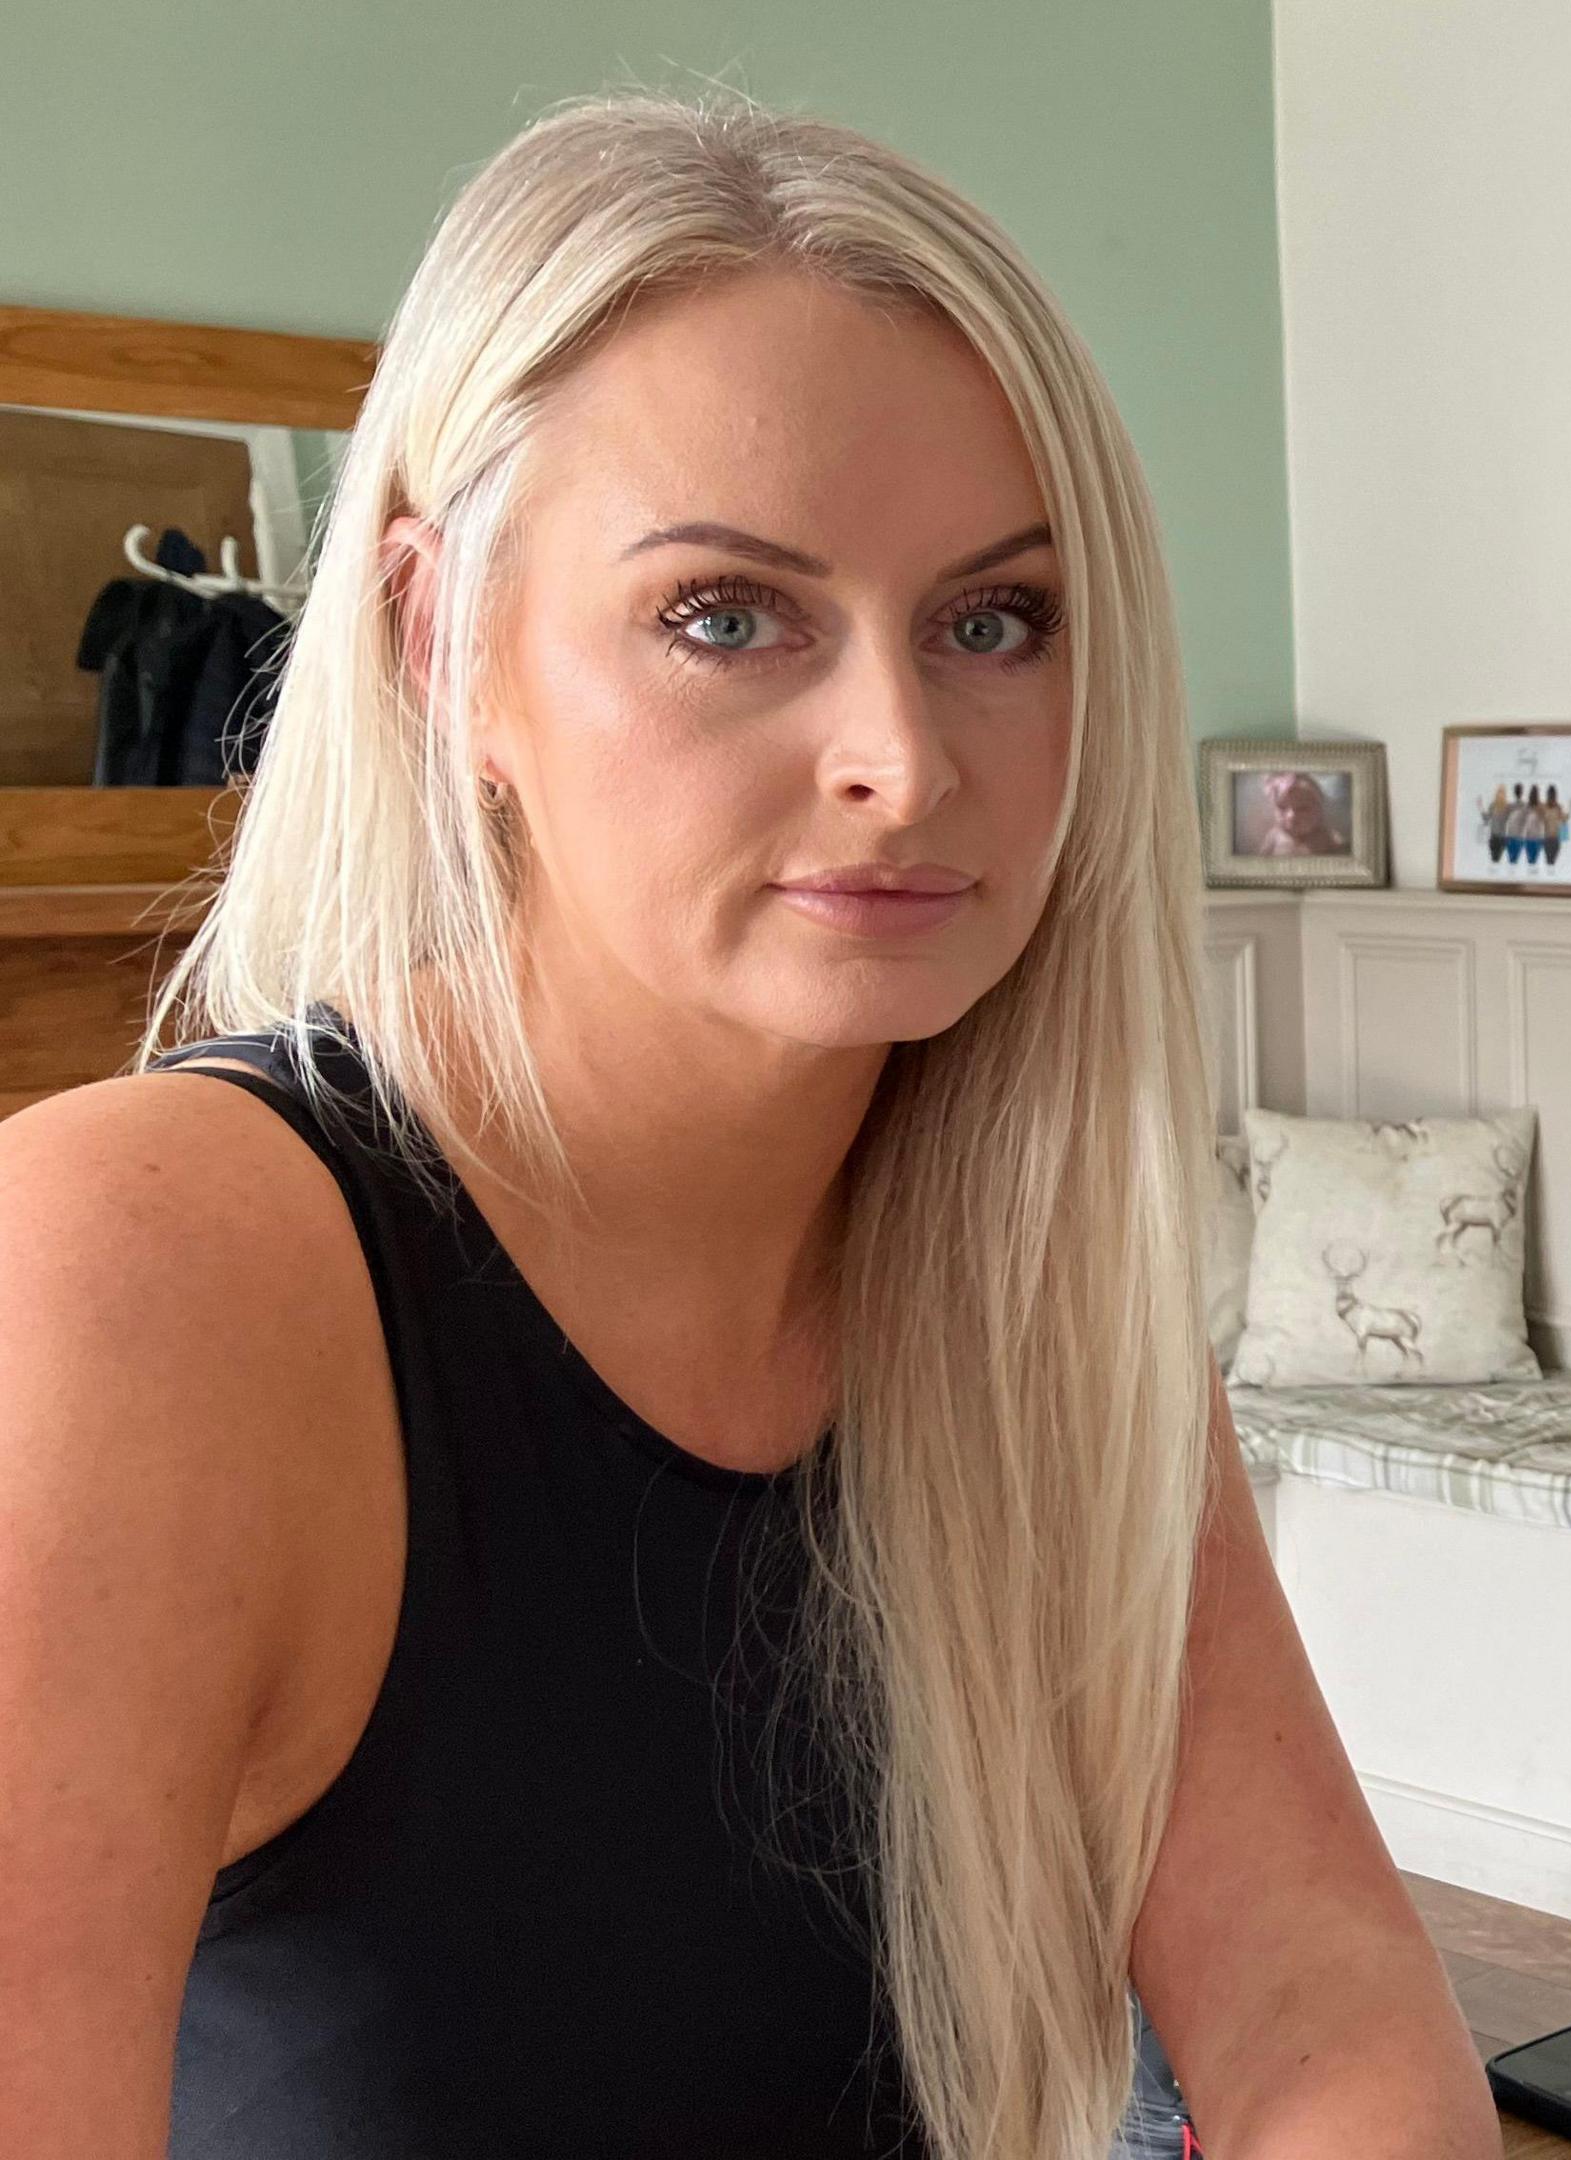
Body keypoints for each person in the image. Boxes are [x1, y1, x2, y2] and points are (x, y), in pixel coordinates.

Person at [0, 95, 1493, 2159]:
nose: (899, 756)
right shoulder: (133, 1269)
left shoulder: (1042, 1295)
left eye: (991, 622)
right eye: (728, 614)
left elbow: (1326, 2015)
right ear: (446, 646)